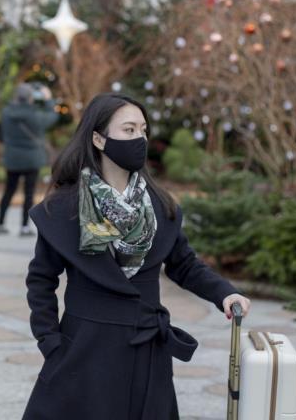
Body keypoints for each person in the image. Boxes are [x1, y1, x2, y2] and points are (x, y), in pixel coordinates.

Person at [22, 93, 252, 420]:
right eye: (128, 130)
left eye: (143, 130)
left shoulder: (160, 205)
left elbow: (184, 264)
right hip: (84, 348)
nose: (139, 139)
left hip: (145, 346)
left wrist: (225, 293)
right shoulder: (65, 209)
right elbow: (41, 279)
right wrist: (50, 341)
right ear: (99, 139)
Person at [0, 83, 58, 236]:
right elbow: (53, 116)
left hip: (12, 158)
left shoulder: (6, 113)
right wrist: (48, 99)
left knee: (8, 191)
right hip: (32, 159)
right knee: (29, 193)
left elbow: (0, 135)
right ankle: (24, 227)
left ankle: (0, 224)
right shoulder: (35, 115)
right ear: (31, 98)